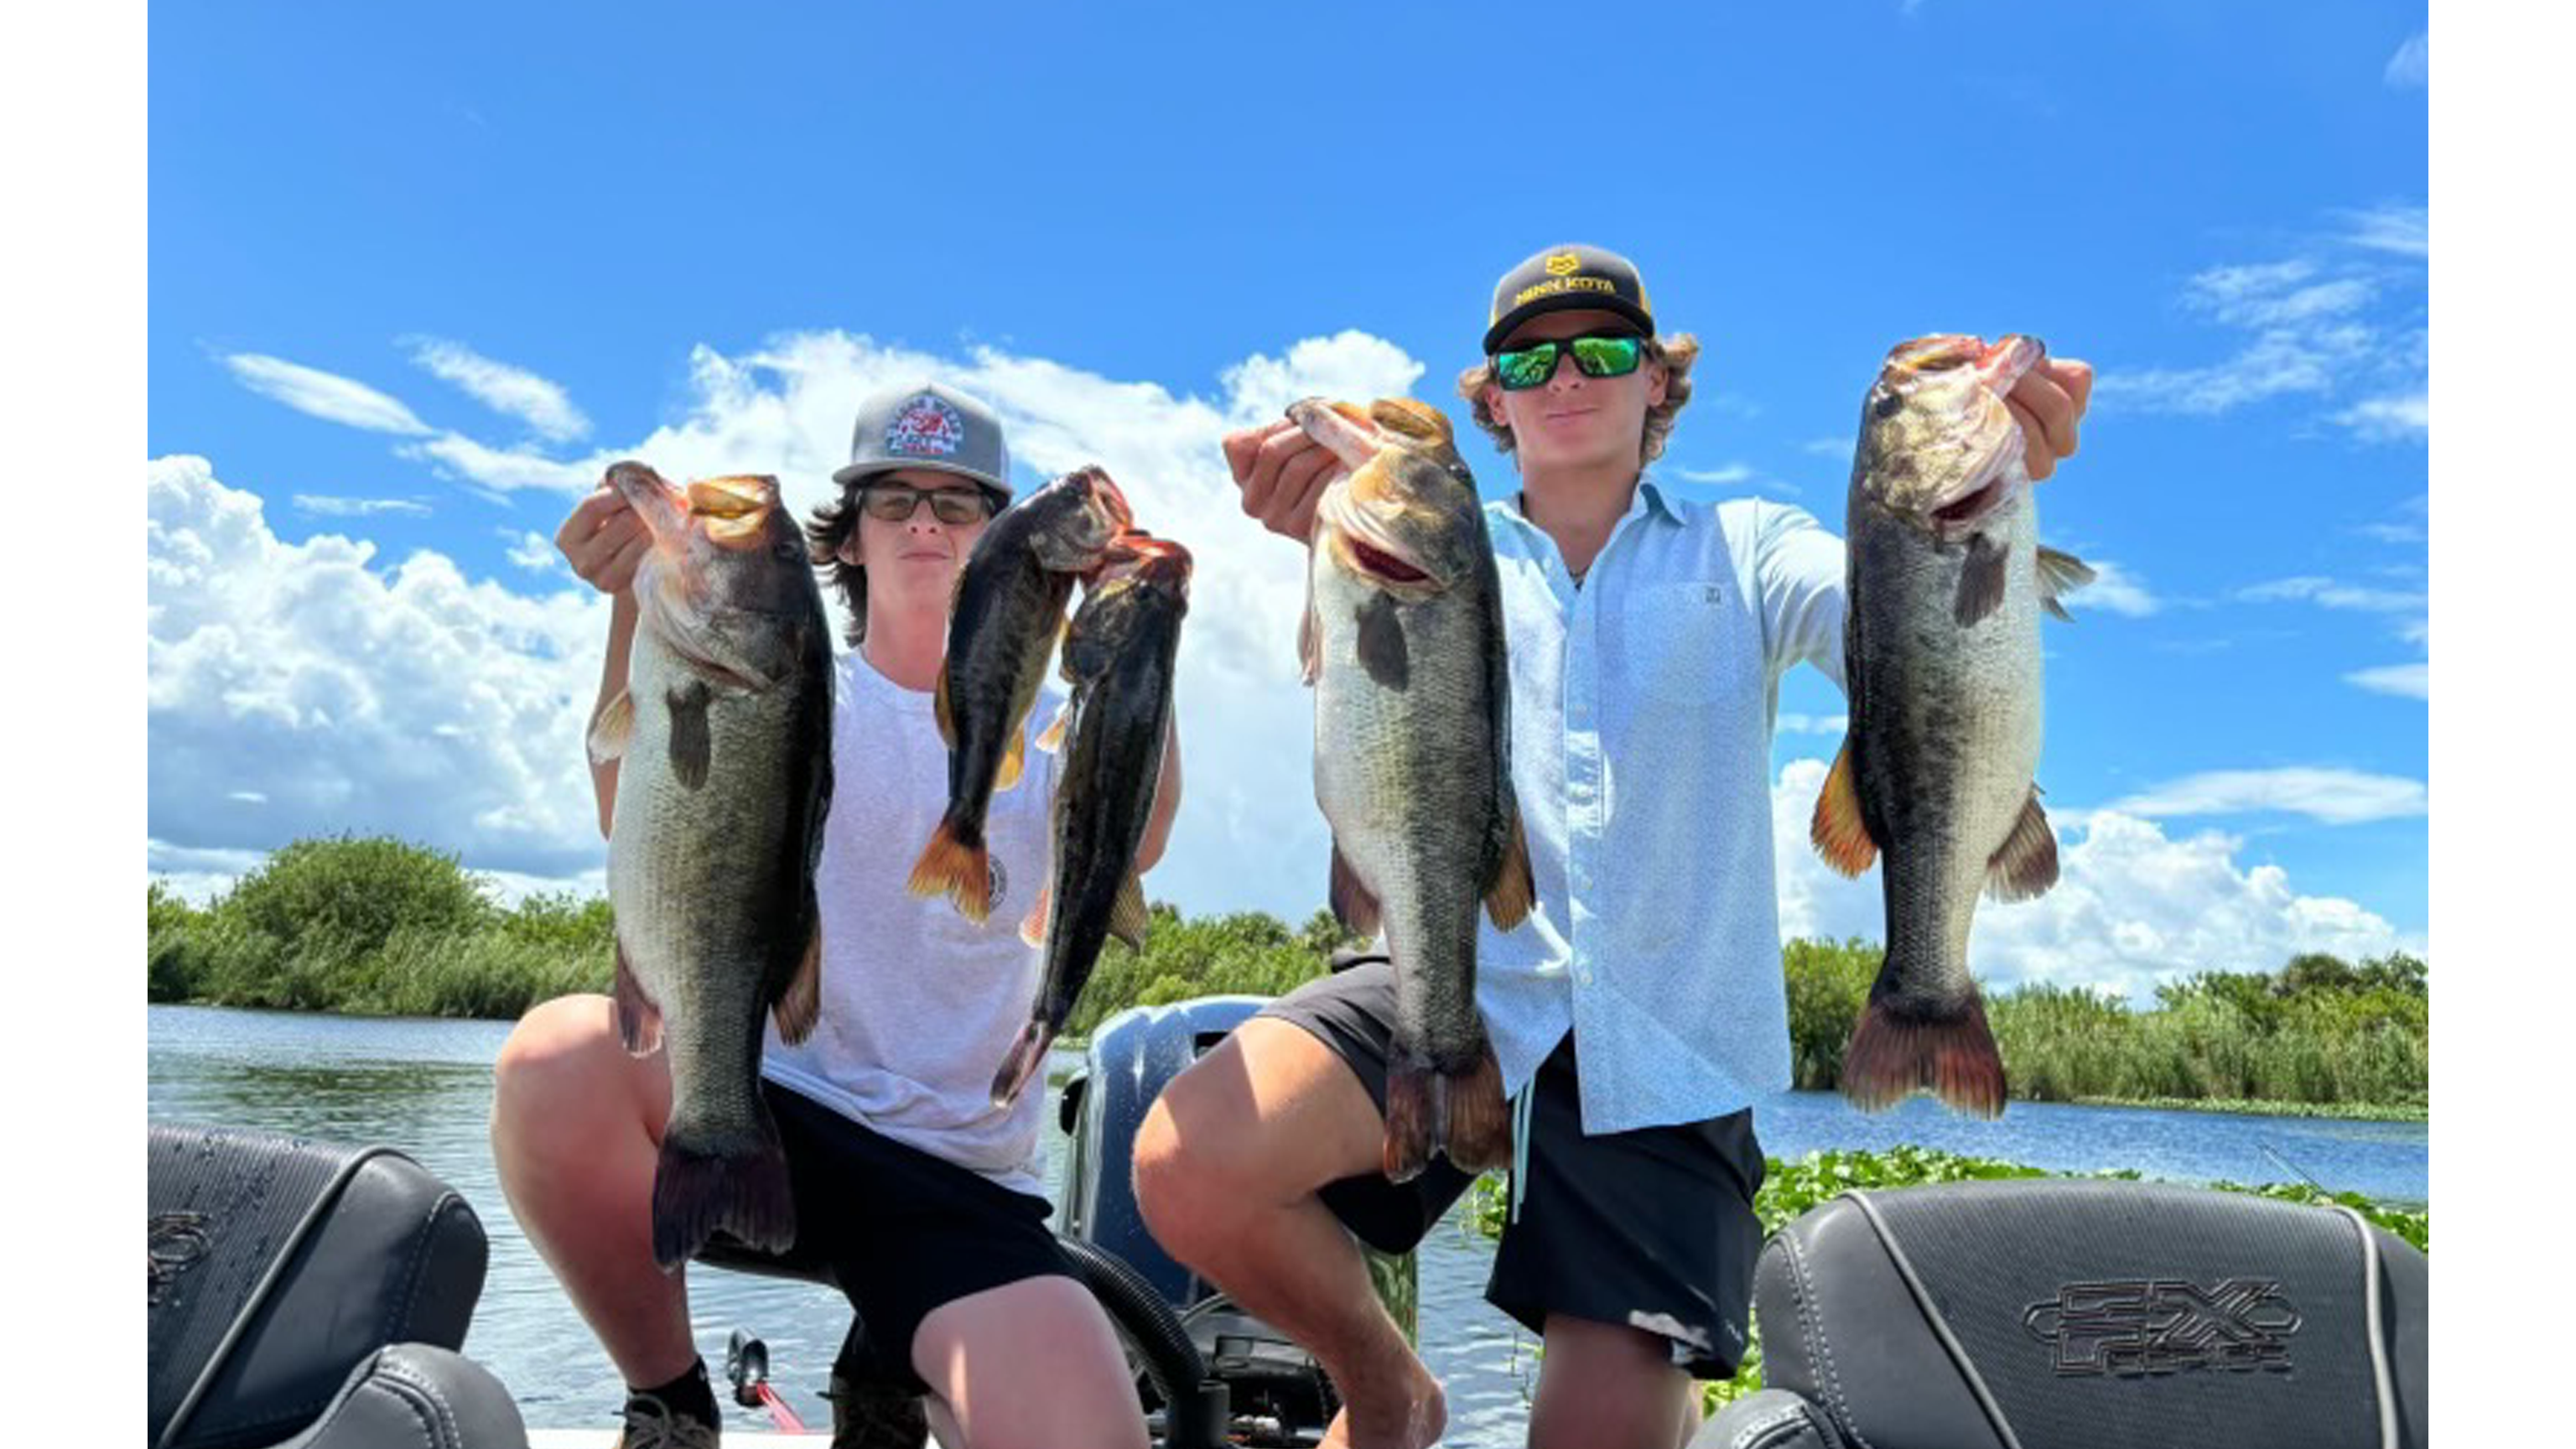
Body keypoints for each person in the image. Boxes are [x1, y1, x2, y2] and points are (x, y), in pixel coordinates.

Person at [1132, 244, 2090, 1449]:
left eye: (1601, 348)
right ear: (1492, 400)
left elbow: (1881, 622)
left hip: (1669, 1033)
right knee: (1186, 1162)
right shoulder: (1433, 544)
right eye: (1530, 359)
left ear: (1658, 381)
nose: (1567, 375)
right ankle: (1390, 1389)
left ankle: (1653, 1374)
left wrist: (1961, 520)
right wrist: (1320, 538)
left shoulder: (1751, 543)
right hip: (1460, 967)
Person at [491, 380, 1181, 1449]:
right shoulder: (782, 679)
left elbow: (1138, 839)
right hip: (772, 1112)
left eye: (958, 504)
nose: (924, 523)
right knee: (554, 1062)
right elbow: (628, 807)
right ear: (848, 538)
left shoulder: (1058, 726)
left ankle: (889, 1365)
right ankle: (671, 1402)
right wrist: (637, 589)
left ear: (1003, 541)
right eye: (893, 499)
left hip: (959, 1179)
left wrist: (1138, 630)